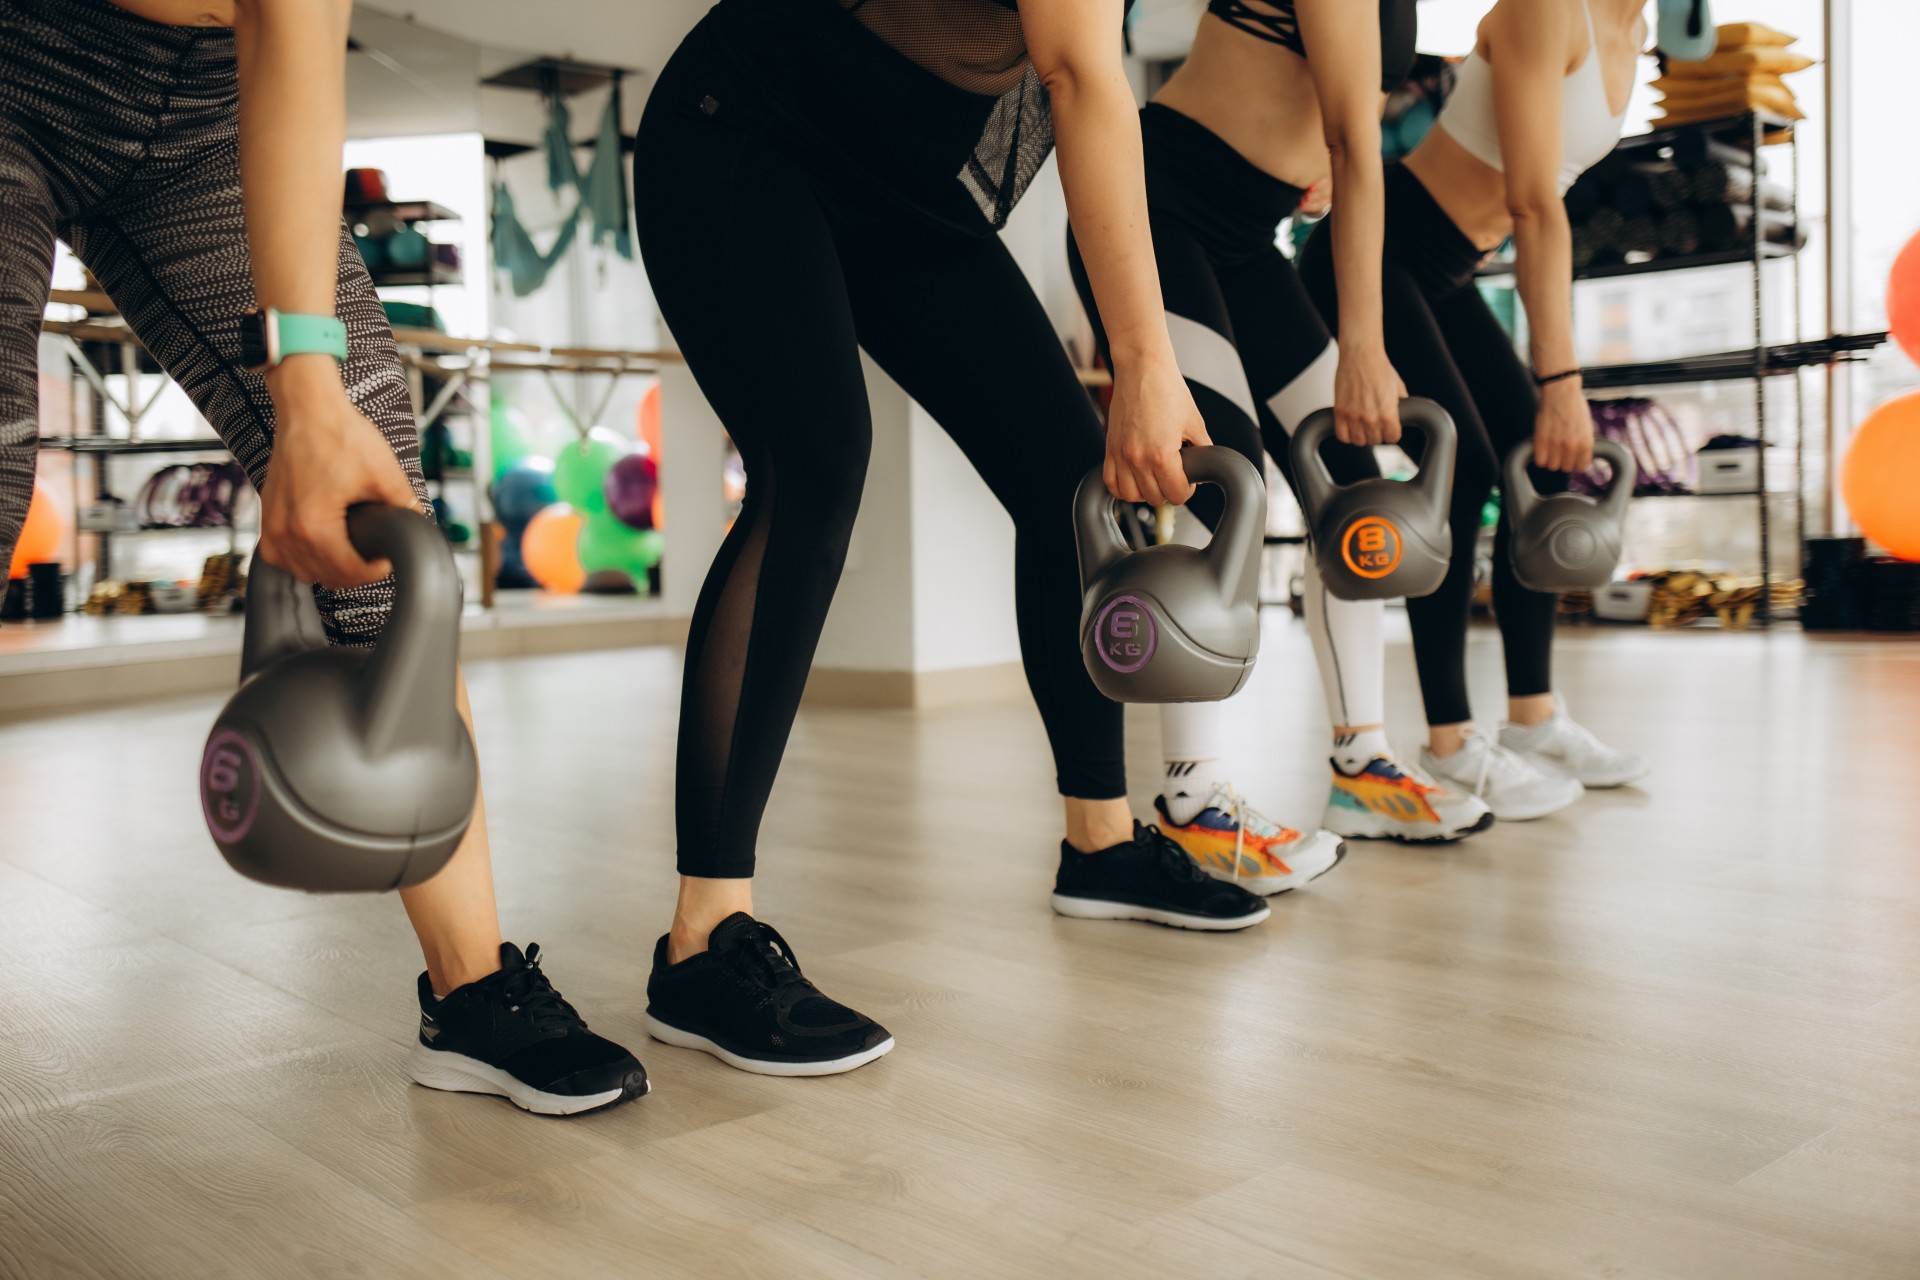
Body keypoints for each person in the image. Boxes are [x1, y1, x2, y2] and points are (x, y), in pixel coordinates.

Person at [0, 0, 646, 1114]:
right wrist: (301, 398)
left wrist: (318, 402)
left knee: (378, 515)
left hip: (209, 102)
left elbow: (288, 30)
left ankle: (475, 993)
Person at [633, 0, 1287, 1077]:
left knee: (1067, 479)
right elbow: (1080, 76)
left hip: (903, 176)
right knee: (814, 467)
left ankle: (1101, 842)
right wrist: (1146, 357)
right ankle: (703, 938)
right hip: (749, 125)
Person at [1069, 0, 1494, 859]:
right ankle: (1192, 803)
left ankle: (1364, 765)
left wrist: (1309, 153)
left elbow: (1337, 128)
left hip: (1244, 231)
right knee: (1215, 482)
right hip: (1163, 208)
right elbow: (1352, 145)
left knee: (1355, 489)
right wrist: (1362, 347)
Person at [1299, 0, 1650, 820]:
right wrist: (1560, 377)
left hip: (1447, 268)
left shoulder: (1634, 32)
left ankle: (1531, 720)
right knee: (1466, 472)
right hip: (1383, 247)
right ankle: (1448, 744)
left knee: (1533, 455)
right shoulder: (1546, 10)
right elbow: (1533, 202)